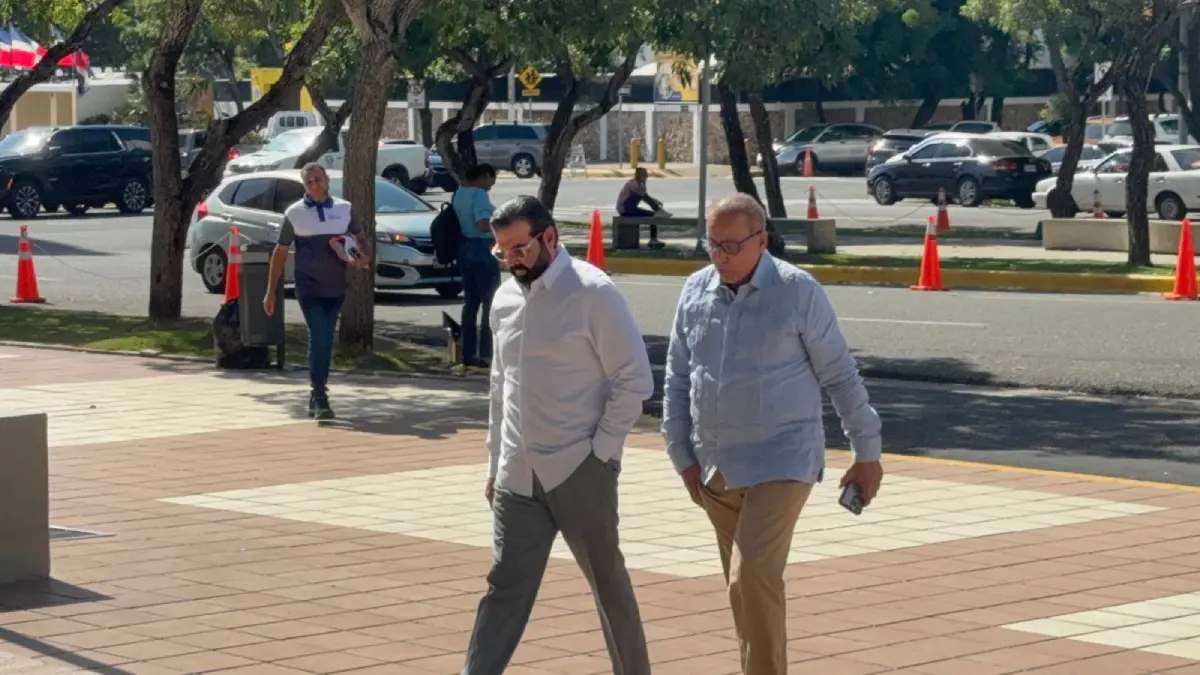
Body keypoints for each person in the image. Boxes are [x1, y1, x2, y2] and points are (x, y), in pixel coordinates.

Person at [661, 193, 883, 675]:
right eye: (712, 244)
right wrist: (681, 455)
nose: (721, 256)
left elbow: (840, 375)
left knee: (751, 576)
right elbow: (679, 377)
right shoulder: (695, 291)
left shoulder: (797, 291)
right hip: (716, 467)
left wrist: (867, 453)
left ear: (762, 241)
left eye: (732, 246)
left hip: (782, 460)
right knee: (744, 594)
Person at [462, 195, 654, 675]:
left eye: (521, 248)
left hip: (578, 469)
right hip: (517, 475)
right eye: (503, 251)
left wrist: (601, 453)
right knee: (504, 588)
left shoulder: (593, 292)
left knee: (608, 585)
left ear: (550, 236)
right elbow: (500, 386)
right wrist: (495, 464)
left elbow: (634, 380)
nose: (513, 260)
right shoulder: (505, 299)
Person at [263, 163, 370, 420]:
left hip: (336, 286)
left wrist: (363, 258)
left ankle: (317, 394)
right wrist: (270, 291)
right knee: (319, 336)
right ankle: (319, 395)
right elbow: (280, 252)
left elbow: (361, 239)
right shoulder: (294, 213)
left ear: (327, 180)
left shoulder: (344, 209)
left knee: (326, 338)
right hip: (308, 286)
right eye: (309, 182)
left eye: (317, 179)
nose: (314, 185)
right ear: (304, 186)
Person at [452, 163, 501, 367]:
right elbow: (482, 224)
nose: (491, 185)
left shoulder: (459, 193)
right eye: (491, 180)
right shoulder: (479, 195)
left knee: (470, 302)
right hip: (482, 248)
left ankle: (468, 351)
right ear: (483, 176)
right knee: (490, 301)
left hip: (465, 247)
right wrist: (502, 226)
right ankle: (487, 352)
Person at [615, 167, 667, 249]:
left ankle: (653, 239)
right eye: (645, 175)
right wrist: (658, 209)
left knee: (652, 215)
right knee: (652, 215)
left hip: (630, 209)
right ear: (639, 176)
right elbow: (645, 197)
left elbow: (645, 196)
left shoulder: (639, 185)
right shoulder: (633, 184)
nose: (646, 177)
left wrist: (656, 202)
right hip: (625, 209)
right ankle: (653, 239)